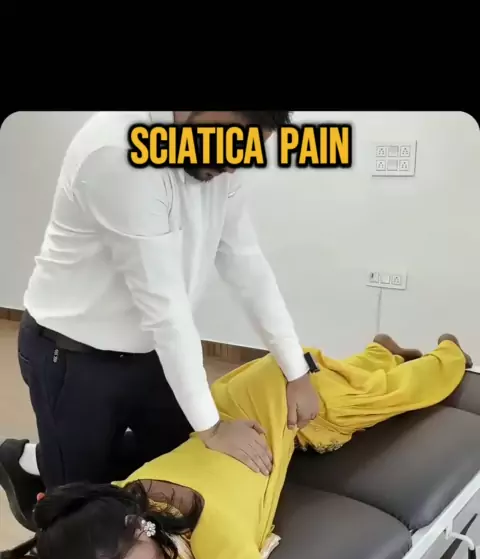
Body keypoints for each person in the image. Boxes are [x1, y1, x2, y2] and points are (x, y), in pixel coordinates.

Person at [0, 333, 471, 559]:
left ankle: (447, 351)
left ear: (140, 528)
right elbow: (72, 532)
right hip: (233, 409)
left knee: (409, 390)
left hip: (287, 403)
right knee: (358, 378)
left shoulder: (216, 538)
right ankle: (380, 352)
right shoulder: (117, 503)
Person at [0, 109, 319, 532]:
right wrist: (213, 428)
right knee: (85, 513)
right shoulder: (117, 152)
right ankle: (25, 464)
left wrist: (297, 371)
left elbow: (246, 263)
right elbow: (165, 308)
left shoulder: (223, 160)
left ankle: (37, 457)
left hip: (150, 349)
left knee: (175, 465)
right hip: (72, 353)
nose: (233, 163)